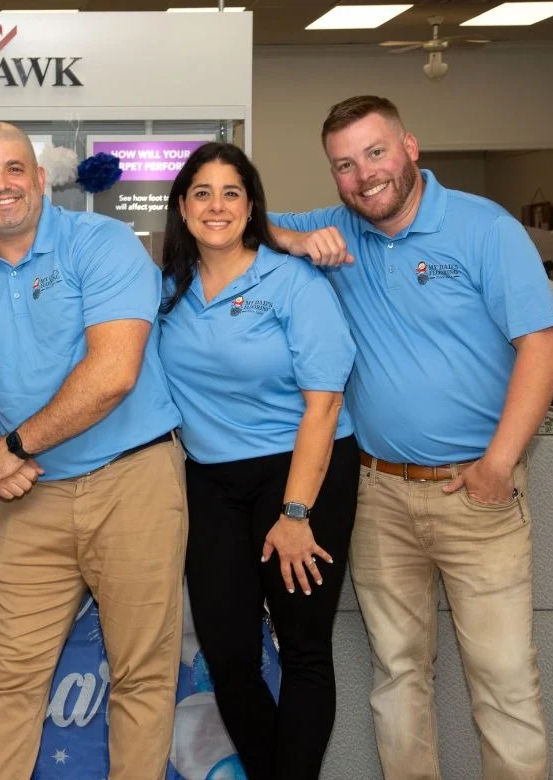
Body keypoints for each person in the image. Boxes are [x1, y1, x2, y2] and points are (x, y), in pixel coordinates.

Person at [270, 95, 553, 779]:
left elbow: (545, 349)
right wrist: (295, 240)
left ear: (410, 147)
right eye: (344, 165)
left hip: (479, 498)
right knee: (397, 677)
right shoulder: (338, 231)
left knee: (504, 683)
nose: (363, 175)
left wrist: (498, 463)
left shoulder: (482, 229)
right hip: (379, 495)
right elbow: (235, 225)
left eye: (375, 153)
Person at [0, 121, 188, 779]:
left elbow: (114, 373)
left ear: (42, 178)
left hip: (134, 482)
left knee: (142, 678)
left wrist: (9, 445)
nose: (1, 185)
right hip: (30, 495)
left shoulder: (104, 243)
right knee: (9, 679)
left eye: (14, 169)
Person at [158, 142, 358, 779]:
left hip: (302, 471)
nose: (216, 207)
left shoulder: (293, 280)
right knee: (227, 654)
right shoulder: (166, 289)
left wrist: (295, 513)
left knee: (302, 649)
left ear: (251, 208)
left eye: (231, 193)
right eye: (202, 194)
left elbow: (323, 406)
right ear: (182, 208)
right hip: (211, 480)